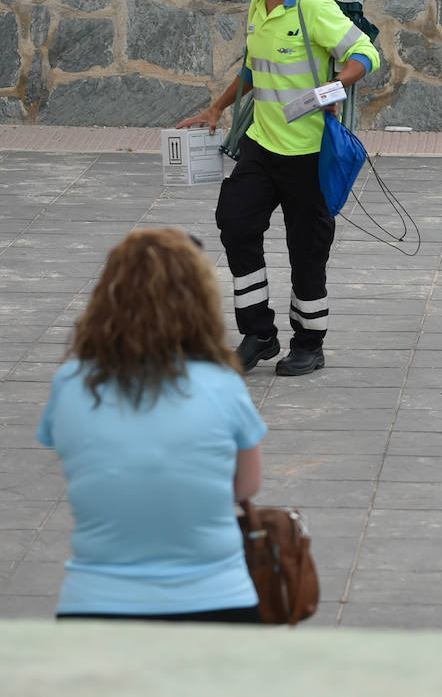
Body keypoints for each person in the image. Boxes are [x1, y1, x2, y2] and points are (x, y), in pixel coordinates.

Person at [36, 229, 268, 622]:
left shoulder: (71, 382)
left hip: (96, 600)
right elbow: (246, 487)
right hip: (216, 597)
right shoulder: (223, 384)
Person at [178, 0, 380, 376]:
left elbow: (366, 54)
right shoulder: (257, 6)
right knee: (235, 221)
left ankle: (309, 343)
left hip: (307, 155)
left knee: (307, 249)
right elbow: (254, 66)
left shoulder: (312, 7)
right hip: (261, 146)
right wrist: (217, 106)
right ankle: (260, 335)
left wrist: (335, 85)